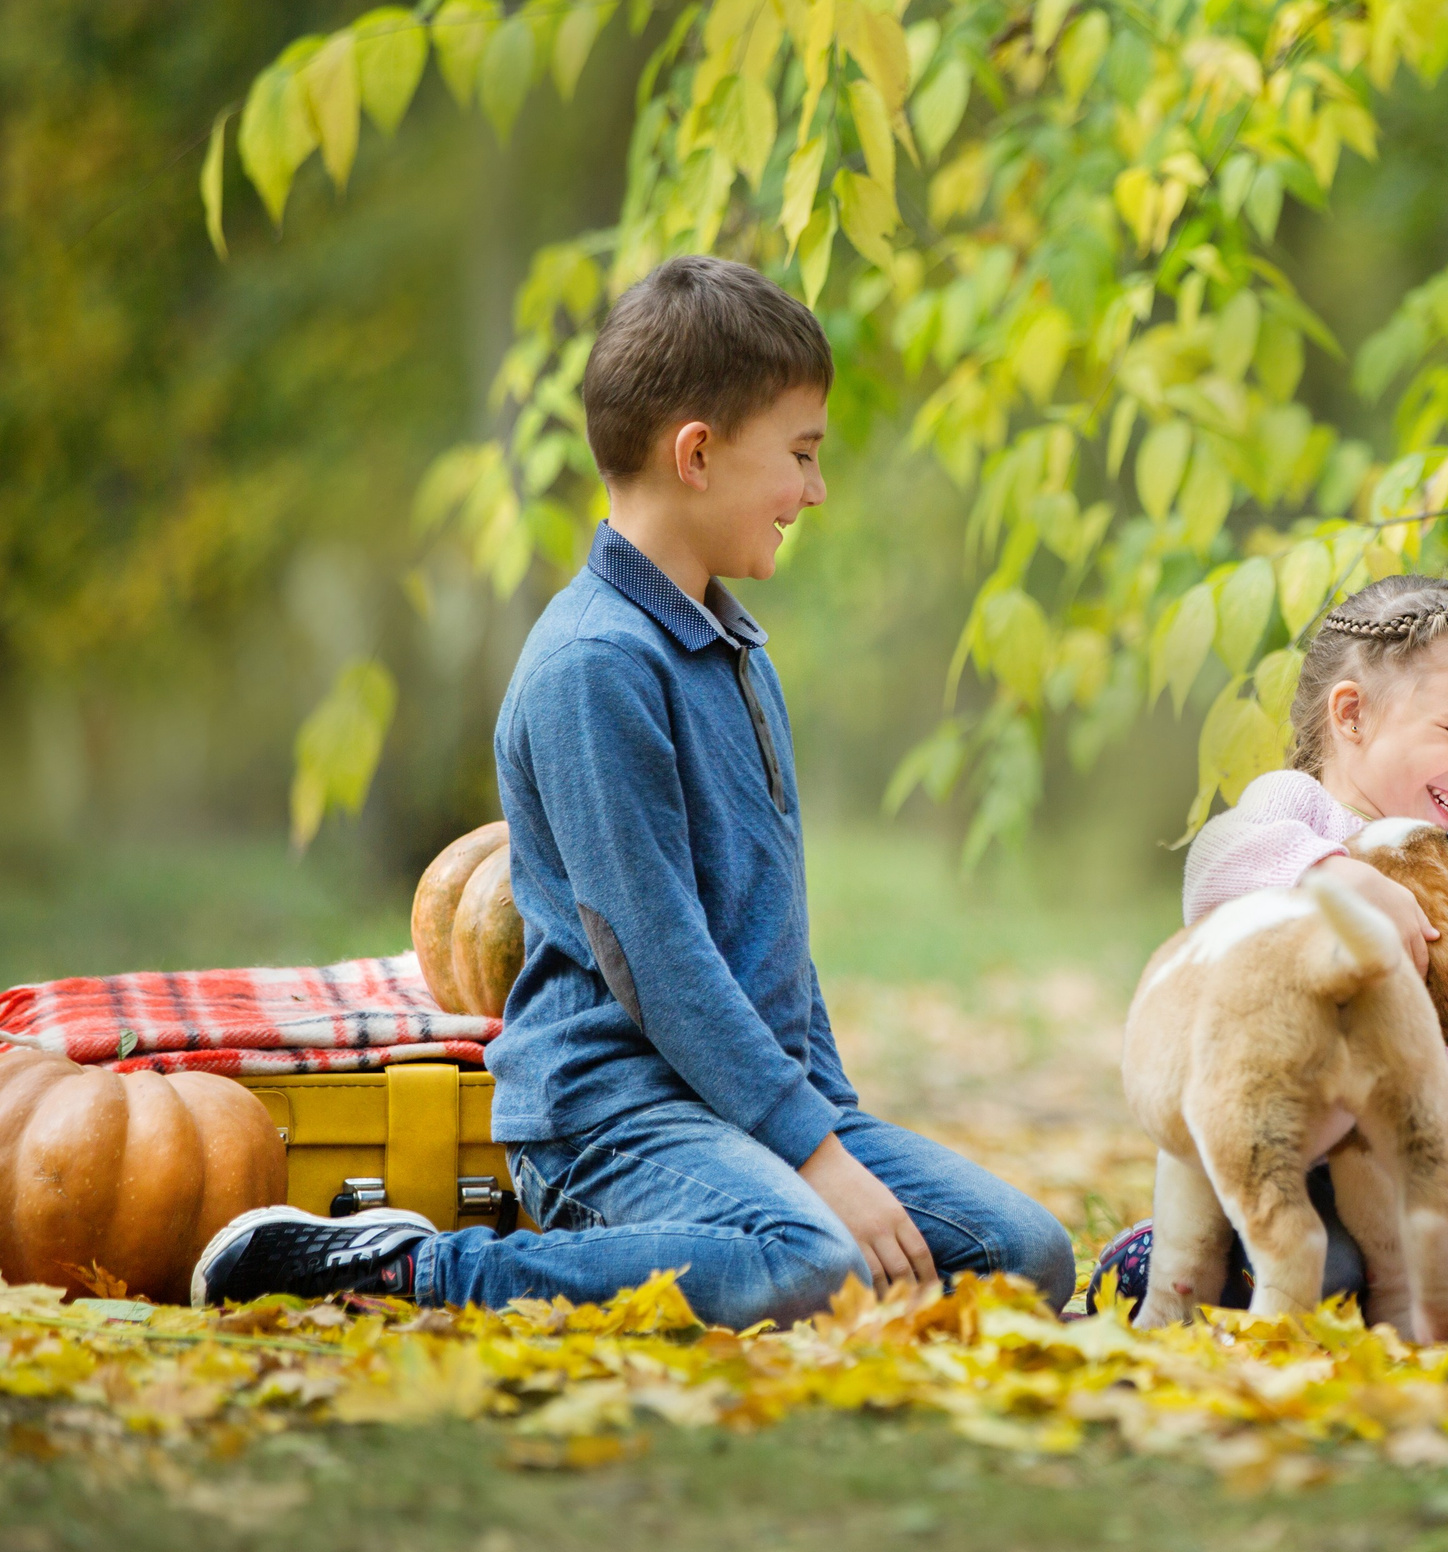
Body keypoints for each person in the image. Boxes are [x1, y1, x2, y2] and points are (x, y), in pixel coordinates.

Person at [193, 256, 1074, 1324]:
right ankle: (409, 1270)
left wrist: (829, 1126)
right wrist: (817, 1162)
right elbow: (658, 961)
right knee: (813, 1261)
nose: (815, 490)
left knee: (1025, 1252)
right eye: (799, 455)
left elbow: (770, 946)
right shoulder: (593, 667)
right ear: (696, 455)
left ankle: (747, 1232)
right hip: (610, 1118)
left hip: (753, 1107)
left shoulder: (734, 648)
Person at [1093, 576, 1448, 1346]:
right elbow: (1217, 870)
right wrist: (1330, 873)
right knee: (1322, 1272)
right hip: (1336, 1172)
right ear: (1351, 714)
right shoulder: (1299, 810)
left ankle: (1442, 1299)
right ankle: (1180, 1256)